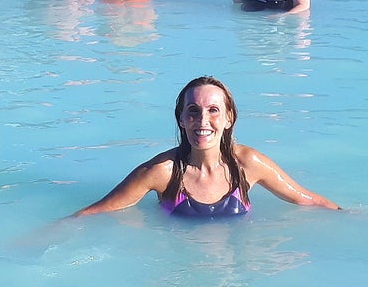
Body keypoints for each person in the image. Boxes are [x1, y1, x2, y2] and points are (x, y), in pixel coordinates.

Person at [75, 76, 340, 217]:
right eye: (193, 111)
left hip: (235, 279)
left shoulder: (248, 164)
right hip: (179, 276)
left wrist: (356, 219)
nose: (203, 121)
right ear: (181, 119)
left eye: (214, 110)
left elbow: (307, 199)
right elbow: (96, 212)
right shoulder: (162, 172)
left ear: (229, 118)